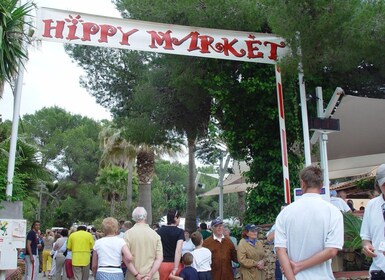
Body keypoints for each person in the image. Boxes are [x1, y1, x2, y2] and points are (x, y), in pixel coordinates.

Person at [275, 165, 344, 280]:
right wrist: (299, 266)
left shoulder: (285, 213)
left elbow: (280, 249)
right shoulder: (333, 212)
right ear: (321, 185)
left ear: (302, 183)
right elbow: (332, 250)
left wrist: (292, 274)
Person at [124, 207, 163, 280]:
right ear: (146, 217)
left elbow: (126, 258)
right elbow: (159, 258)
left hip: (132, 276)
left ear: (133, 218)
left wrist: (136, 275)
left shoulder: (127, 234)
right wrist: (150, 274)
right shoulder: (155, 235)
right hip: (152, 276)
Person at [360, 163, 385, 279]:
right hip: (379, 270)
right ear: (378, 185)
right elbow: (366, 238)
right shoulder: (372, 205)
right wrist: (367, 246)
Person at [157, 209, 185, 280]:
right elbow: (178, 250)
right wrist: (175, 268)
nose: (179, 220)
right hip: (175, 264)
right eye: (179, 218)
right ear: (175, 218)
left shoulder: (159, 231)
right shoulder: (180, 232)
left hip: (161, 264)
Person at [266, 204, 287, 280]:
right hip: (280, 258)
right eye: (281, 211)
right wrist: (280, 228)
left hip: (293, 258)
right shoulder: (277, 225)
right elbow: (269, 238)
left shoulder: (295, 223)